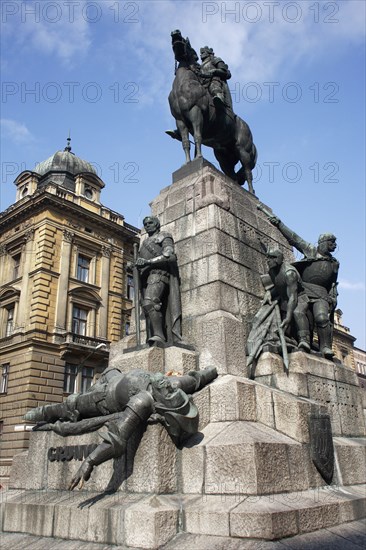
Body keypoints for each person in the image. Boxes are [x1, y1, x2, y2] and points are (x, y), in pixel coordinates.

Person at [24, 365, 218, 490]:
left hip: (103, 398)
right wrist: (214, 370)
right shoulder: (174, 384)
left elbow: (117, 439)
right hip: (116, 374)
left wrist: (89, 461)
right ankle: (43, 413)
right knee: (107, 371)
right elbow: (198, 378)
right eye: (169, 390)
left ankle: (43, 412)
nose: (168, 389)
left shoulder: (143, 401)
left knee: (71, 406)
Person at [268, 215, 338, 359]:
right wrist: (279, 224)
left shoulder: (334, 263)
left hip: (321, 295)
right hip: (304, 291)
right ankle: (304, 341)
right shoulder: (311, 251)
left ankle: (325, 347)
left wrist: (333, 296)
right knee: (298, 313)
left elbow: (333, 283)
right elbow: (294, 238)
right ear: (324, 242)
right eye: (332, 242)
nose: (335, 245)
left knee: (322, 318)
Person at [247, 248, 309, 371]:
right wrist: (269, 293)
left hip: (299, 299)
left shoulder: (289, 273)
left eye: (271, 258)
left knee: (297, 312)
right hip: (284, 300)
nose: (268, 260)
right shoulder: (272, 271)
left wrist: (288, 316)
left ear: (279, 259)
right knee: (279, 327)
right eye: (267, 258)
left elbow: (293, 297)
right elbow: (279, 285)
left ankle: (304, 340)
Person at [135, 216, 182, 346]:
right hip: (146, 278)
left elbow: (169, 254)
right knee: (147, 306)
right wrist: (132, 265)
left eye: (150, 223)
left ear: (156, 224)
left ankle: (159, 336)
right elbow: (140, 261)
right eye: (145, 224)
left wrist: (148, 262)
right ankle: (155, 335)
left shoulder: (164, 235)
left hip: (159, 274)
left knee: (150, 302)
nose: (147, 225)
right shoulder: (144, 243)